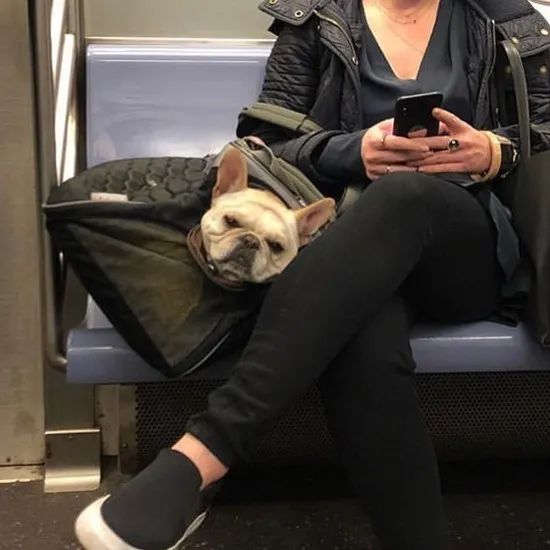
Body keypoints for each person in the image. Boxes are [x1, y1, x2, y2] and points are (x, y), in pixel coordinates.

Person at [75, 0, 550, 549]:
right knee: (364, 342)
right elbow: (264, 144)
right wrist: (354, 151)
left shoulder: (505, 18)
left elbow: (545, 128)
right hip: (345, 256)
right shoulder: (314, 19)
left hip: (467, 249)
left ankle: (202, 456)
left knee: (404, 196)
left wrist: (492, 151)